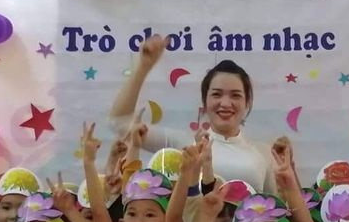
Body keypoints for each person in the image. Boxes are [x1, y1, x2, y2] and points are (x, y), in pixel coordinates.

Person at [109, 35, 276, 192]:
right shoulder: (184, 145)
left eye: (235, 95)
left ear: (247, 102)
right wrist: (144, 66)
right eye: (217, 94)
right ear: (205, 101)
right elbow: (119, 124)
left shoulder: (263, 153)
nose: (225, 103)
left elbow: (276, 207)